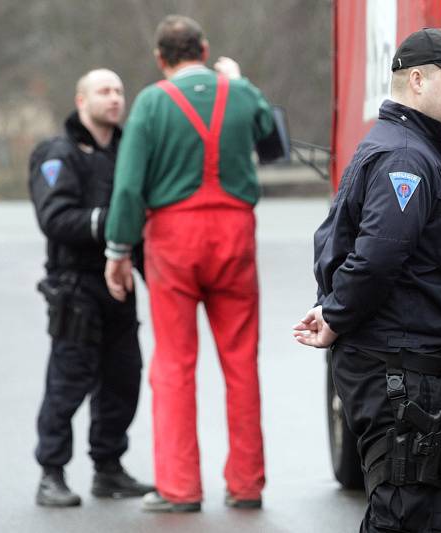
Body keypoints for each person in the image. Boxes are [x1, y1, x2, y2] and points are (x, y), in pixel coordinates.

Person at [293, 28, 441, 533]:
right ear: (419, 80)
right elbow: (378, 256)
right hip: (399, 372)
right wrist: (337, 316)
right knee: (403, 519)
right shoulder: (405, 157)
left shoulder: (420, 150)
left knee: (410, 516)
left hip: (411, 370)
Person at [103, 15, 275, 513]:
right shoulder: (240, 93)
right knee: (241, 361)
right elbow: (267, 132)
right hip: (235, 234)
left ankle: (180, 488)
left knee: (175, 364)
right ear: (203, 48)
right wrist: (240, 81)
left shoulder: (153, 102)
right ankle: (247, 484)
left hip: (174, 240)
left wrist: (117, 251)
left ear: (161, 59)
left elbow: (130, 186)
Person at [29, 69, 153, 507]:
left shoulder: (127, 151)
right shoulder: (57, 153)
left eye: (120, 90)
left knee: (123, 380)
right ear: (81, 100)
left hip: (119, 286)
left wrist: (154, 274)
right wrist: (111, 223)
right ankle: (51, 472)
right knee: (67, 383)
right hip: (76, 286)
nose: (115, 98)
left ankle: (108, 469)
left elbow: (144, 221)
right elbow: (55, 218)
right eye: (104, 91)